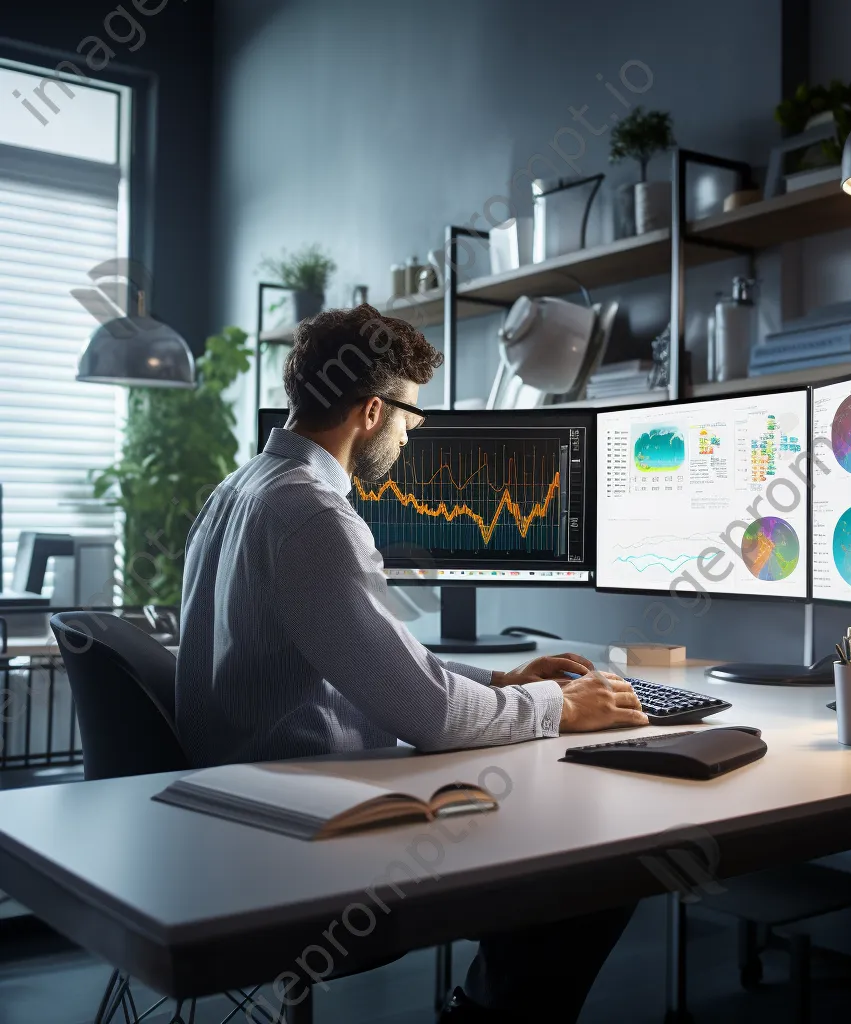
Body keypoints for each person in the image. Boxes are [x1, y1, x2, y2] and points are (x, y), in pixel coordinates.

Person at [175, 305, 646, 1021]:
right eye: (408, 417)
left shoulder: (237, 491)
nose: (409, 433)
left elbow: (372, 658)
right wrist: (562, 707)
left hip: (239, 806)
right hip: (310, 828)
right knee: (599, 859)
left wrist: (506, 680)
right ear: (370, 412)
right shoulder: (315, 517)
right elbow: (427, 715)